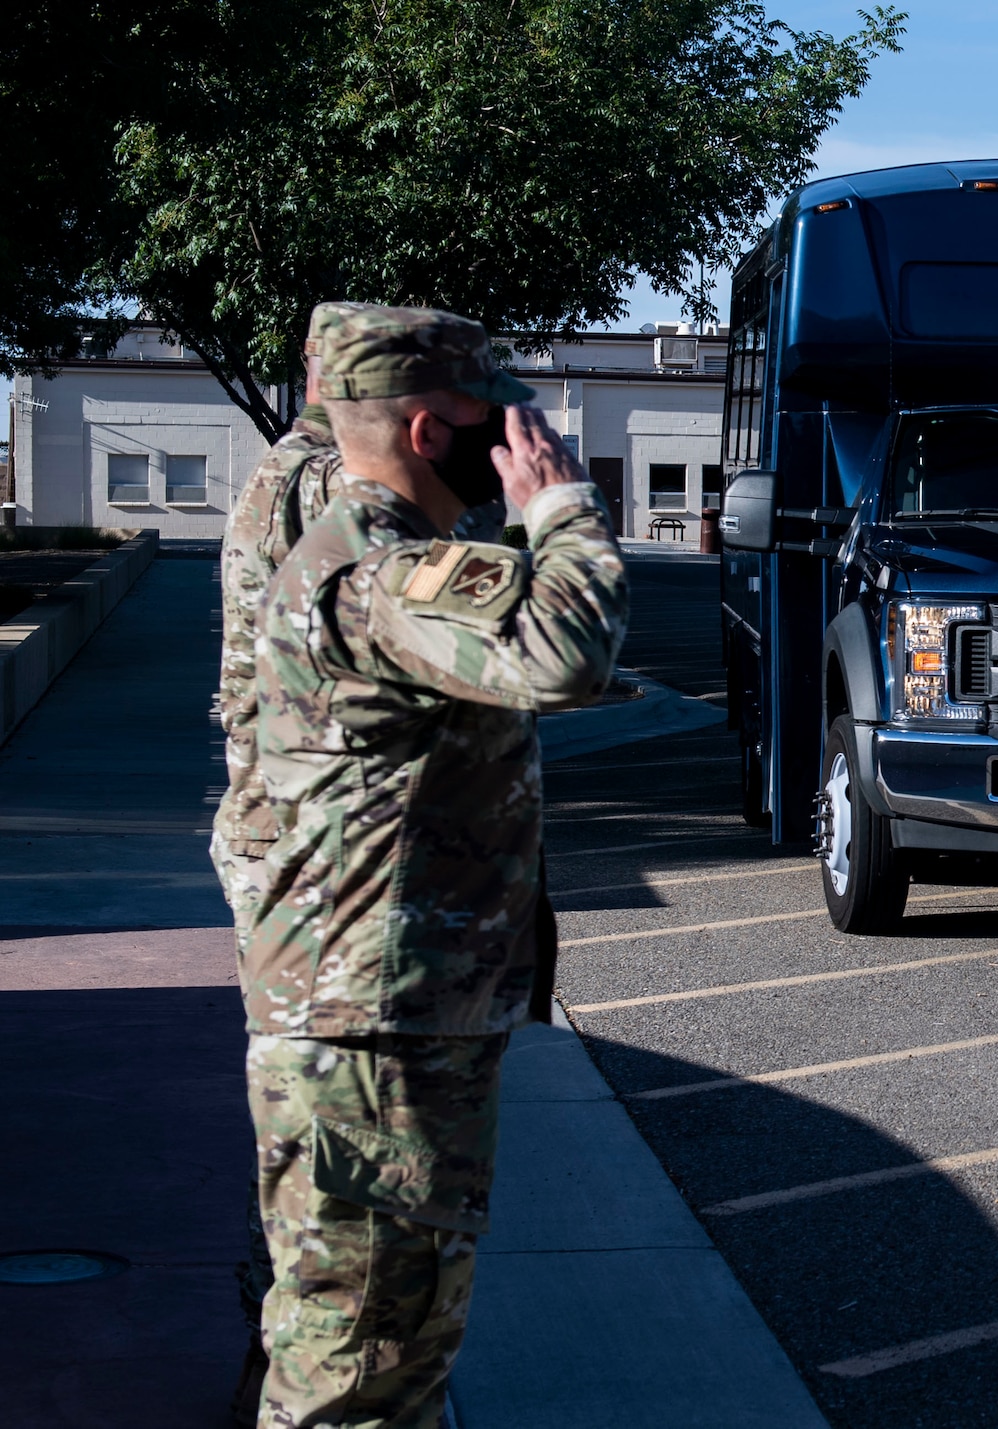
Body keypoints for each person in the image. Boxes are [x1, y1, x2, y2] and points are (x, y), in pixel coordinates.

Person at [243, 303, 627, 1425]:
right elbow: (565, 653)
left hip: (373, 1021)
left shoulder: (374, 558)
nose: (517, 433)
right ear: (427, 434)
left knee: (382, 1342)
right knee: (361, 1367)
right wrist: (559, 504)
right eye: (492, 416)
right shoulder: (377, 570)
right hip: (374, 1038)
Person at [209, 314, 352, 1426]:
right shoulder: (317, 484)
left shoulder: (287, 473)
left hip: (281, 832)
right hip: (303, 852)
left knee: (308, 1155)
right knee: (325, 1163)